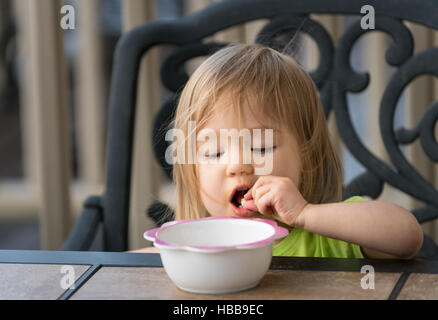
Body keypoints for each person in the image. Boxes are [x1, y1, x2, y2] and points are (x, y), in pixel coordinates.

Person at [133, 43, 423, 259]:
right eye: (214, 153)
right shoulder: (190, 250)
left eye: (261, 146)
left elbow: (408, 236)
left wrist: (306, 214)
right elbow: (120, 270)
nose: (238, 165)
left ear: (306, 157)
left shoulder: (331, 235)